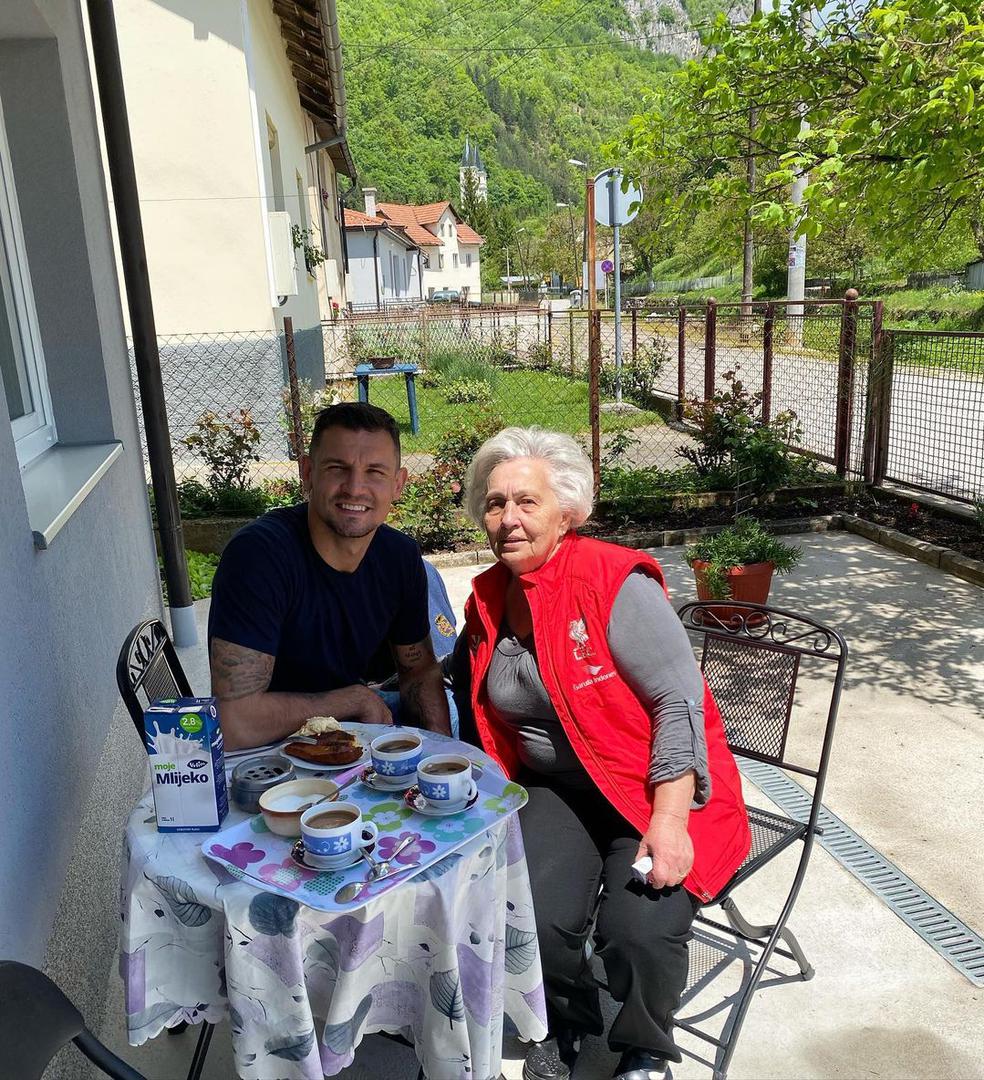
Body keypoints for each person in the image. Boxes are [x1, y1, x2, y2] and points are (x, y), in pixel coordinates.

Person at [457, 428, 751, 1080]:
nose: (508, 518)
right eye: (495, 503)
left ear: (567, 512)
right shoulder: (489, 598)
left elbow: (679, 702)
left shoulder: (612, 581)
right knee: (525, 911)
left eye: (527, 502)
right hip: (555, 790)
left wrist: (669, 821)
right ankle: (569, 1021)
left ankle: (645, 1047)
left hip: (650, 787)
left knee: (639, 929)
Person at [208, 402, 451, 750]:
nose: (355, 488)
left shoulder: (399, 556)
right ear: (308, 472)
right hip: (275, 749)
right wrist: (352, 700)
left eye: (374, 472)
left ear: (398, 484)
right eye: (338, 468)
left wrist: (440, 749)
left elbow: (419, 671)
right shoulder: (258, 557)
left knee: (453, 711)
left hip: (353, 735)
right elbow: (234, 724)